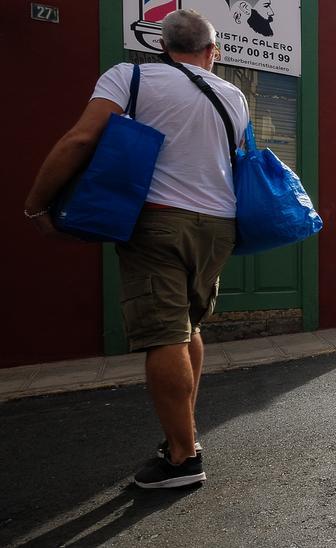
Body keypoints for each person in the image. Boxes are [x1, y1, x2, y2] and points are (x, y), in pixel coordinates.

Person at [23, 9, 249, 488]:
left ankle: (183, 459)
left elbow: (82, 137)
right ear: (213, 52)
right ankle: (183, 435)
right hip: (219, 226)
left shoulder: (130, 77)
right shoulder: (234, 95)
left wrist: (37, 205)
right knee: (189, 324)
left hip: (160, 221)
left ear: (161, 45)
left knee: (164, 333)